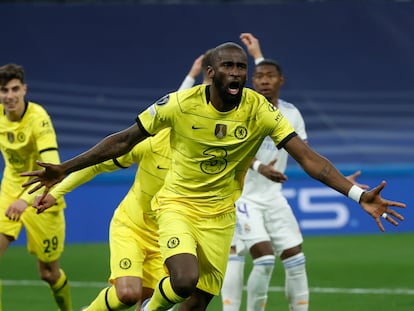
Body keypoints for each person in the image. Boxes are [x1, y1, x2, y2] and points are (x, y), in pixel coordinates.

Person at [21, 42, 405, 311]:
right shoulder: (178, 105)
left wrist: (356, 194)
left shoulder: (258, 109)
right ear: (211, 73)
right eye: (229, 66)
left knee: (198, 301)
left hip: (220, 216)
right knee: (183, 280)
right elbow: (122, 141)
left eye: (241, 67)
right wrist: (64, 168)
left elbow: (309, 159)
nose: (237, 73)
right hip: (176, 207)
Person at [221, 33, 369, 311]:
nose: (264, 80)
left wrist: (339, 183)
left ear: (281, 81)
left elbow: (306, 157)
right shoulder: (242, 109)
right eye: (259, 76)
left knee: (296, 259)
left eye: (270, 76)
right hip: (242, 198)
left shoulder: (291, 114)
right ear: (253, 82)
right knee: (262, 259)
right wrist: (258, 166)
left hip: (273, 198)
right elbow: (230, 148)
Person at [32, 129, 172, 311]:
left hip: (167, 236)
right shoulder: (152, 142)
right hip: (132, 228)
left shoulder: (206, 152)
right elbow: (97, 165)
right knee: (127, 294)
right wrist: (55, 194)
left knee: (150, 303)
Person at [0, 63, 72, 310]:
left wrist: (26, 200)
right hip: (10, 188)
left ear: (24, 89)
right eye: (3, 90)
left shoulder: (39, 119)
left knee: (49, 274)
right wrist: (16, 196)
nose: (9, 96)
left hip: (42, 193)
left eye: (14, 89)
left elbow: (53, 169)